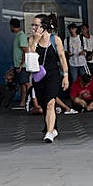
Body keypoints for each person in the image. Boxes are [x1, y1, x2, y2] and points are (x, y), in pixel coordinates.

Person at [29, 13, 70, 144]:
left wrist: (66, 75)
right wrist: (35, 41)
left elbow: (62, 58)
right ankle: (52, 128)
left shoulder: (55, 39)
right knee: (44, 104)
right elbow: (30, 58)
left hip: (52, 75)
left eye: (36, 25)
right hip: (38, 76)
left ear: (44, 26)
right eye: (33, 25)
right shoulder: (31, 39)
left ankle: (49, 133)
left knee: (51, 102)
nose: (34, 27)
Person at [9, 18, 31, 109]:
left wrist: (21, 64)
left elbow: (25, 51)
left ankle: (30, 100)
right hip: (18, 65)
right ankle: (23, 102)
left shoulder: (21, 35)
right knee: (22, 84)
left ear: (12, 26)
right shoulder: (17, 35)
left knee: (25, 83)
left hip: (22, 65)